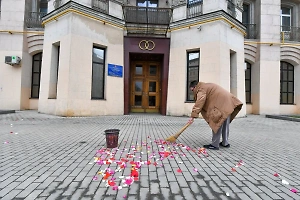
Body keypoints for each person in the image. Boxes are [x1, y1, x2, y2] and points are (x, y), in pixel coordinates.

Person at [188, 80, 243, 150]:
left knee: (216, 123)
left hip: (221, 105)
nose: (193, 92)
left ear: (195, 86)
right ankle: (225, 143)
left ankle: (214, 144)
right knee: (225, 123)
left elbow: (200, 101)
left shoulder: (201, 89)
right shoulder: (207, 85)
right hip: (229, 103)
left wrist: (194, 114)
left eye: (192, 90)